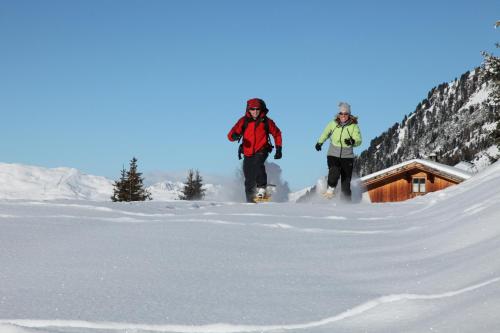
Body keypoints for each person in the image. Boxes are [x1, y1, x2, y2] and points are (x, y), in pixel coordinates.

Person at [228, 98, 282, 202]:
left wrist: (279, 148)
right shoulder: (243, 121)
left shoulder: (266, 121)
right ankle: (250, 200)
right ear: (248, 109)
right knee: (248, 177)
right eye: (252, 109)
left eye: (258, 109)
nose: (255, 111)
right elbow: (230, 135)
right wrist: (234, 136)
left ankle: (262, 187)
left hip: (262, 149)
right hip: (247, 152)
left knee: (257, 164)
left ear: (261, 109)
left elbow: (277, 133)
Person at [315, 102, 362, 200]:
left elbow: (358, 140)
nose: (343, 116)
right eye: (341, 113)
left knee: (346, 183)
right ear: (339, 114)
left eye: (345, 114)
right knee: (334, 171)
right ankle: (330, 190)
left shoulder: (353, 126)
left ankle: (346, 204)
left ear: (349, 115)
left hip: (347, 156)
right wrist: (320, 142)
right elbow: (325, 133)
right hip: (333, 153)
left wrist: (352, 141)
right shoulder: (333, 124)